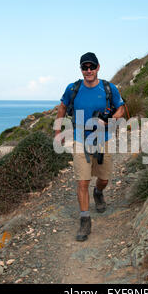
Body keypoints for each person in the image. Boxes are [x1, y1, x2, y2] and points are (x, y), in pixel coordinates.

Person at [55, 52, 125, 241]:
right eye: (85, 67)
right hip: (80, 139)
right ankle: (85, 220)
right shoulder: (73, 89)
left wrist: (109, 119)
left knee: (103, 179)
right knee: (82, 181)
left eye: (91, 67)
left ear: (98, 67)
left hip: (104, 139)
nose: (88, 71)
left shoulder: (109, 88)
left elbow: (121, 108)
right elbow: (62, 107)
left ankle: (99, 192)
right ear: (81, 69)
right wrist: (57, 131)